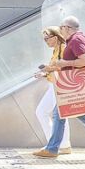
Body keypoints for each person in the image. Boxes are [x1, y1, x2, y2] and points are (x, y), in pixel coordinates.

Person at [35, 15, 85, 157]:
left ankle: (52, 148)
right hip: (75, 83)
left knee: (60, 114)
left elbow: (84, 60)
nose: (60, 29)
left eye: (61, 27)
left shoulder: (75, 40)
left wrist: (64, 63)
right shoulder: (81, 38)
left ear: (67, 28)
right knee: (83, 116)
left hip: (72, 84)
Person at [30, 26, 67, 158]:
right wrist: (45, 74)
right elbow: (56, 69)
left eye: (47, 39)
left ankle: (54, 145)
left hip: (59, 85)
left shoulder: (62, 48)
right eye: (44, 39)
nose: (45, 42)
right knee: (61, 114)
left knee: (43, 112)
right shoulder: (57, 49)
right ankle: (62, 144)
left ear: (55, 37)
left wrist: (48, 69)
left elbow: (64, 68)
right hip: (55, 84)